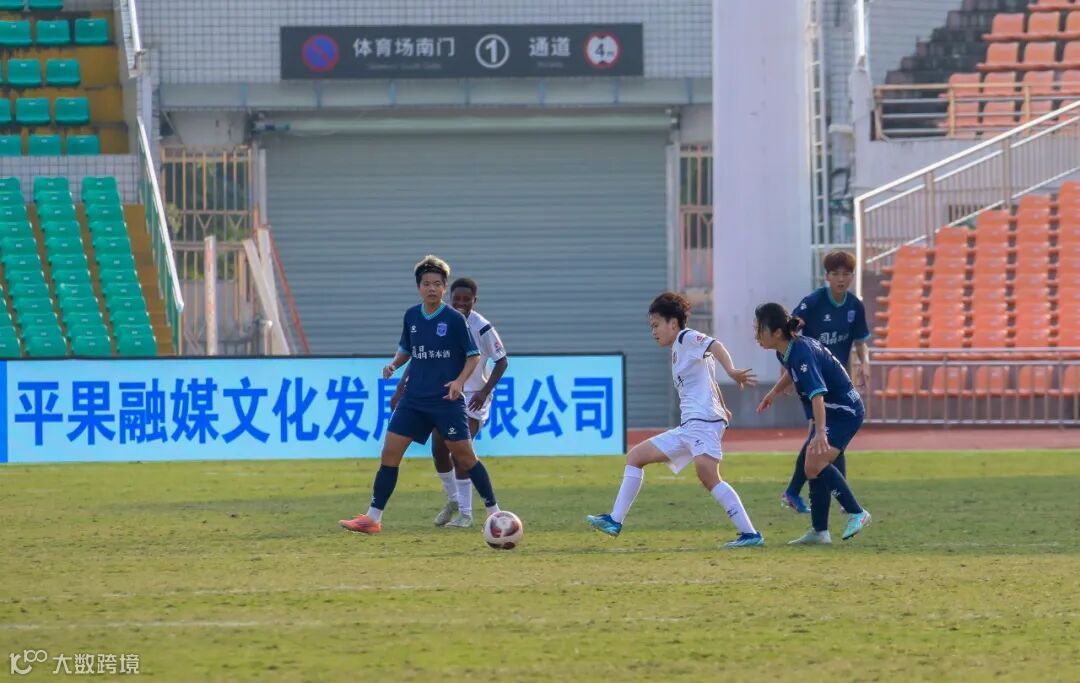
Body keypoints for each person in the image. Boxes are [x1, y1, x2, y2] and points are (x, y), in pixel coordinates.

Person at [586, 292, 765, 548]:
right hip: (690, 426)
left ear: (673, 323)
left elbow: (716, 346)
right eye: (651, 326)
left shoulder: (687, 337)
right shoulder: (678, 350)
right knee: (636, 456)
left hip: (702, 423)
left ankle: (750, 534)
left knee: (709, 476)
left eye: (656, 325)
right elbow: (708, 377)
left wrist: (732, 370)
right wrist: (723, 407)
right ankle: (615, 520)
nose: (653, 331)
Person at [340, 256, 500, 535]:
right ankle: (373, 518)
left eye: (437, 284)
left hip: (445, 401)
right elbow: (408, 349)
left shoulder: (454, 319)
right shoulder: (412, 316)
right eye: (426, 284)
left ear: (444, 287)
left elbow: (473, 356)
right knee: (389, 453)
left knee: (465, 457)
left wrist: (459, 382)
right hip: (414, 400)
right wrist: (394, 364)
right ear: (418, 287)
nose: (432, 288)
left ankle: (495, 514)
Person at [391, 277, 508, 529]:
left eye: (467, 300)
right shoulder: (442, 320)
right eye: (457, 299)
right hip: (444, 394)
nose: (461, 304)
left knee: (461, 452)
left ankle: (466, 514)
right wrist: (401, 387)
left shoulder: (482, 327)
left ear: (475, 301)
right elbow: (420, 356)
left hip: (473, 397)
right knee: (438, 450)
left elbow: (502, 361)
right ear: (450, 298)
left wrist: (484, 391)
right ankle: (454, 500)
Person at [754, 302, 872, 545]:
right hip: (833, 410)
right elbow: (792, 372)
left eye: (760, 329)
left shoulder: (801, 352)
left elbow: (817, 394)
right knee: (812, 466)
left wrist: (819, 433)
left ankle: (856, 512)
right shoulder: (787, 349)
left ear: (777, 332)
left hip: (844, 412)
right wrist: (774, 393)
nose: (756, 334)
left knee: (814, 462)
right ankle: (820, 532)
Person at [775, 250, 871, 514]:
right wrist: (789, 373)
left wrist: (864, 363)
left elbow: (860, 342)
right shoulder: (814, 302)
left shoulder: (855, 306)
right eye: (835, 274)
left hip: (838, 383)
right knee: (820, 437)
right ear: (826, 276)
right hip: (814, 379)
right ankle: (797, 492)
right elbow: (790, 332)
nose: (841, 279)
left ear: (852, 276)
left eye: (846, 274)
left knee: (829, 439)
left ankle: (798, 493)